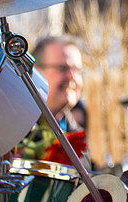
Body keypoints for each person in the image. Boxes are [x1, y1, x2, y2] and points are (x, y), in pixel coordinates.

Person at [17, 35, 89, 163]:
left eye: (77, 70)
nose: (72, 77)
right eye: (63, 68)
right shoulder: (15, 132)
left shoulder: (77, 135)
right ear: (35, 73)